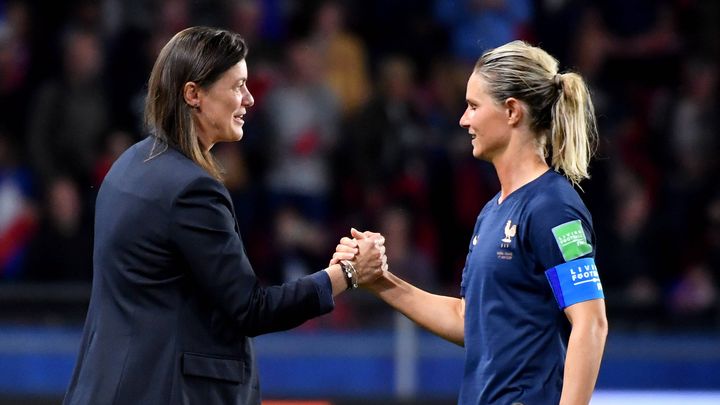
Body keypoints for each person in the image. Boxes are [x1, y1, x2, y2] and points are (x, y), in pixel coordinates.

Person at [63, 26, 386, 405]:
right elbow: (251, 309)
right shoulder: (191, 190)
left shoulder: (129, 165)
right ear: (193, 94)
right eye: (237, 86)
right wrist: (345, 274)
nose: (249, 99)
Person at [334, 40, 608, 404]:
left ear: (512, 111)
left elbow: (591, 323)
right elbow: (469, 318)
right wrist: (379, 281)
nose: (463, 119)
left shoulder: (552, 208)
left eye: (473, 106)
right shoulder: (492, 211)